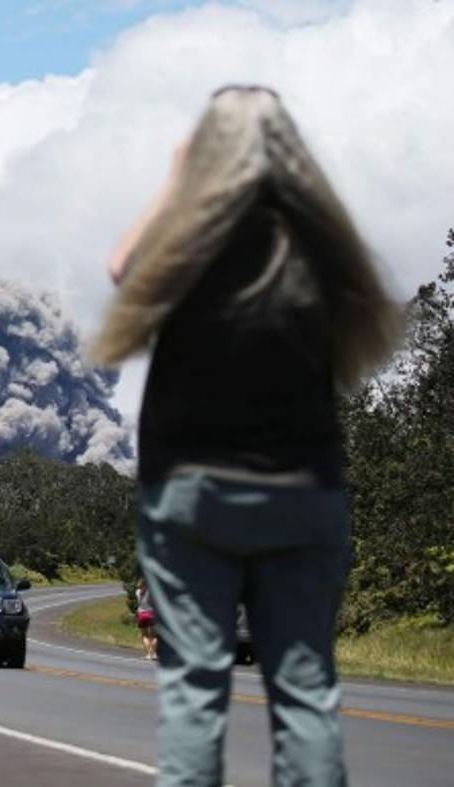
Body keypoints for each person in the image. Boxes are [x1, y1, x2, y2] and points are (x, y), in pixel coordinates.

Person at [92, 85, 400, 786]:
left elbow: (122, 269)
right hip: (302, 493)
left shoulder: (188, 250)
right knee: (306, 695)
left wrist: (179, 180)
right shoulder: (322, 251)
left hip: (192, 496)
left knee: (193, 695)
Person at [135, 578, 158, 661]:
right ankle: (154, 654)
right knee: (154, 635)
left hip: (141, 614)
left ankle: (148, 654)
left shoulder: (137, 592)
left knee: (144, 635)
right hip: (151, 614)